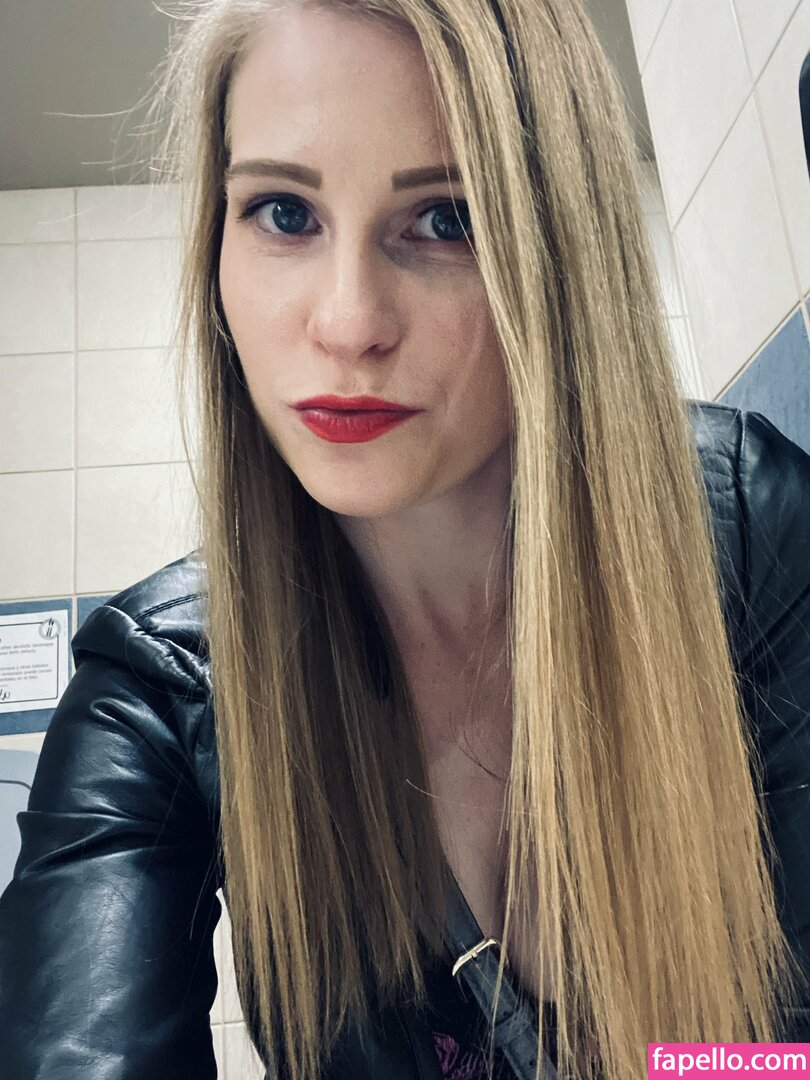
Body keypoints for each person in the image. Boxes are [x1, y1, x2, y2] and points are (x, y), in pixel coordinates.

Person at [1, 1, 809, 1078]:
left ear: (559, 253)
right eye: (284, 212)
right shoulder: (161, 690)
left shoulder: (749, 532)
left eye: (446, 219)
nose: (347, 322)